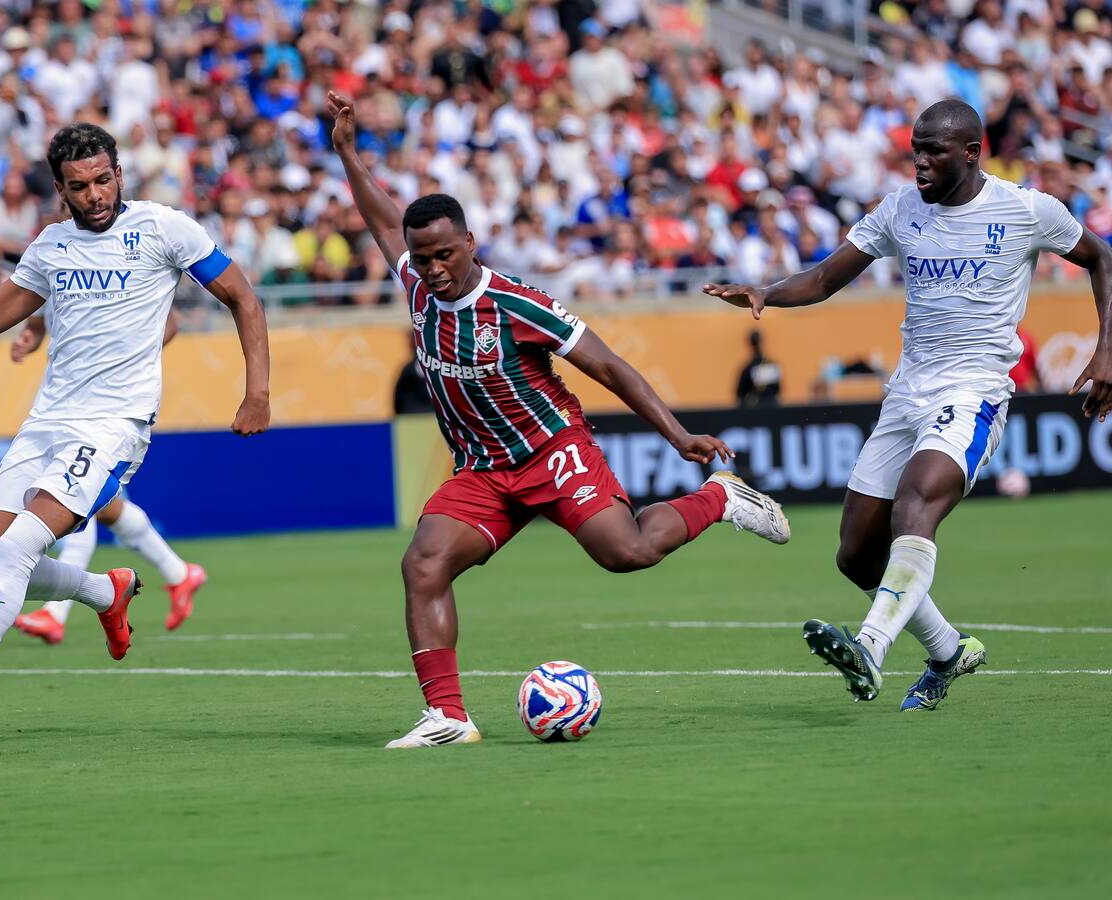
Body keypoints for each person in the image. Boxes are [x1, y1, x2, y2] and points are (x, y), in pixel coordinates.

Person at [328, 90, 791, 750]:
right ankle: (448, 719)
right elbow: (380, 219)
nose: (431, 270)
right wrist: (346, 150)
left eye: (443, 256)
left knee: (625, 553)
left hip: (552, 450)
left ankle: (718, 500)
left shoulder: (518, 304)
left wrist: (680, 434)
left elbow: (612, 368)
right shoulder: (414, 281)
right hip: (485, 471)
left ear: (469, 242)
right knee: (422, 564)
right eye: (421, 258)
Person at [705, 98, 1112, 711]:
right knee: (854, 554)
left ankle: (869, 647)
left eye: (933, 150)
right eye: (915, 149)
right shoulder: (899, 209)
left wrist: (1108, 352)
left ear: (972, 152)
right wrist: (766, 290)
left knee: (916, 504)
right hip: (907, 390)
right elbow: (822, 279)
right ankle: (949, 650)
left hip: (974, 388)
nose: (919, 161)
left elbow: (1102, 257)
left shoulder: (1026, 209)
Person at [0, 123, 270, 745]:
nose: (96, 194)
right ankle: (105, 591)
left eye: (104, 180)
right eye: (80, 186)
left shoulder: (163, 228)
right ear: (60, 190)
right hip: (46, 422)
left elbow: (243, 297)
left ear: (119, 175)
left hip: (115, 425)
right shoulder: (50, 247)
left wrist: (258, 390)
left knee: (21, 545)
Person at [8, 311, 208, 644]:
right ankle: (179, 572)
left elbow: (168, 322)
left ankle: (54, 614)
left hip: (110, 407)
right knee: (101, 505)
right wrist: (32, 332)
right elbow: (47, 299)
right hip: (69, 402)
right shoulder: (57, 261)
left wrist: (123, 362)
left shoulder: (125, 266)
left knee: (72, 497)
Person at [735, 330, 782, 407]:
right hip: (773, 410)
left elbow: (740, 394)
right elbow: (778, 389)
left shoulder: (747, 368)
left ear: (750, 344)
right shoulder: (772, 365)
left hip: (755, 412)